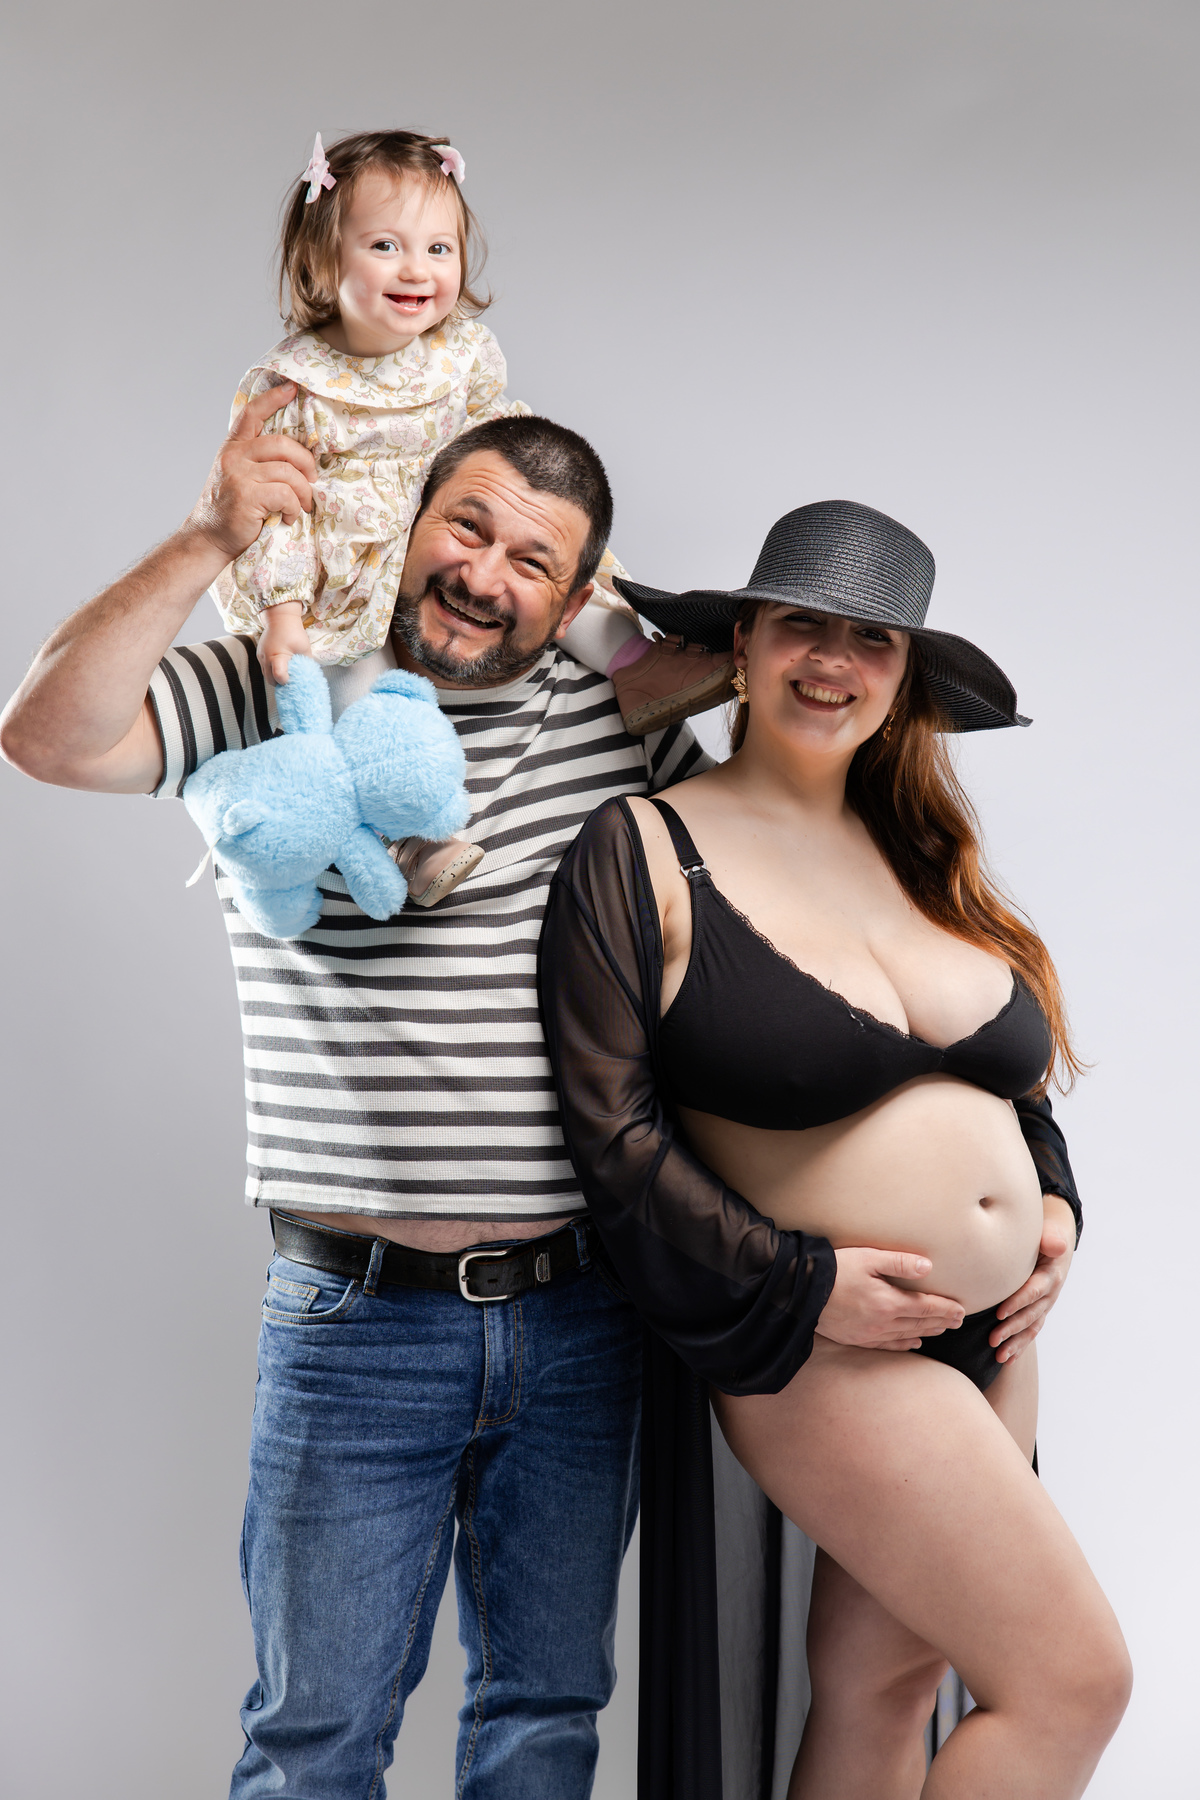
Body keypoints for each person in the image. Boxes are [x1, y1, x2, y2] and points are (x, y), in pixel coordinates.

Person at [539, 500, 1131, 1798]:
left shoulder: (918, 853)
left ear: (904, 675)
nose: (834, 660)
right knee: (1071, 1684)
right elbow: (613, 1139)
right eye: (803, 624)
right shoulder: (644, 848)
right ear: (744, 643)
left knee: (886, 1688)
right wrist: (801, 1283)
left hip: (992, 1343)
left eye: (873, 639)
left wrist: (1055, 1209)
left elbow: (1009, 1079)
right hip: (825, 1350)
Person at [214, 127, 732, 903]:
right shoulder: (295, 383)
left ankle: (640, 670)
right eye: (385, 246)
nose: (416, 270)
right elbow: (278, 511)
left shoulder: (461, 352)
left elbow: (501, 439)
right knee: (363, 692)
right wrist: (285, 611)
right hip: (350, 572)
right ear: (321, 259)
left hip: (454, 534)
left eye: (439, 249)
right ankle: (414, 835)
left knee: (567, 591)